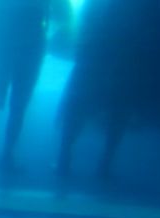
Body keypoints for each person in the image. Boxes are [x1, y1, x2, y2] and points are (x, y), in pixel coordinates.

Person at [54, 0, 147, 180]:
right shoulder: (129, 7)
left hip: (93, 58)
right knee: (117, 111)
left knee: (77, 108)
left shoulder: (95, 5)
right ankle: (104, 164)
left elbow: (83, 27)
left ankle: (64, 159)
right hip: (120, 60)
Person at [0, 0, 61, 176]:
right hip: (28, 53)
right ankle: (4, 156)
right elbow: (56, 16)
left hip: (3, 53)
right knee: (17, 108)